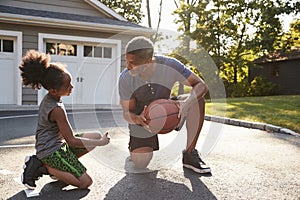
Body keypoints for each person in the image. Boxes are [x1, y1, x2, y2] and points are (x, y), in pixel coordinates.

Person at [118, 36, 211, 174]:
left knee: (197, 100)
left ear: (148, 62)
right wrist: (138, 119)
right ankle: (133, 152)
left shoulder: (170, 65)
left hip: (167, 109)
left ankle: (190, 153)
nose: (127, 66)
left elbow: (201, 85)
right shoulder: (125, 78)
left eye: (133, 63)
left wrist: (187, 103)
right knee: (141, 164)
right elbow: (127, 113)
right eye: (126, 61)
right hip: (142, 119)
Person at [19, 50, 110, 189]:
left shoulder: (53, 98)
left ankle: (60, 169)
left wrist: (96, 140)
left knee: (95, 135)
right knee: (86, 182)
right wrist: (101, 142)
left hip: (58, 145)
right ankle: (43, 166)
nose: (72, 87)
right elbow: (72, 141)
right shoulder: (56, 109)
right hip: (50, 152)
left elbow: (69, 139)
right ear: (53, 90)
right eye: (68, 86)